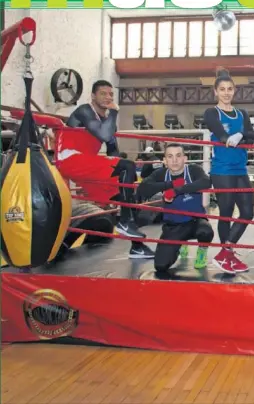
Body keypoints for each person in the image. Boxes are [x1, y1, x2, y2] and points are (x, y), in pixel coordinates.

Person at [56, 80, 155, 259]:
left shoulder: (108, 121)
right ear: (93, 96)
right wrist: (115, 111)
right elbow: (104, 135)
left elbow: (112, 149)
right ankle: (125, 221)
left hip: (87, 166)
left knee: (129, 199)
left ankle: (137, 246)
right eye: (103, 93)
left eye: (111, 94)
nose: (108, 97)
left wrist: (124, 179)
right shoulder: (84, 111)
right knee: (127, 166)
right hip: (70, 159)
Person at [203, 68, 254, 274]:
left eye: (230, 89)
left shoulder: (242, 113)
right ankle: (227, 255)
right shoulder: (211, 112)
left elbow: (251, 137)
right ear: (216, 92)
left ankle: (225, 252)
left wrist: (239, 136)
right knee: (226, 213)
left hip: (240, 169)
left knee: (247, 212)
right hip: (222, 170)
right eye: (222, 89)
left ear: (234, 91)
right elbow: (219, 134)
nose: (226, 93)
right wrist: (231, 137)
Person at [136, 143, 213, 278]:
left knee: (205, 231)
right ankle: (180, 243)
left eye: (178, 156)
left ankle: (202, 250)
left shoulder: (193, 170)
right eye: (170, 157)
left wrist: (177, 190)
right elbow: (143, 188)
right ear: (165, 161)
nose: (175, 160)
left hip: (195, 221)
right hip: (174, 225)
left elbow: (206, 182)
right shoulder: (161, 173)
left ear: (185, 158)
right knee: (160, 266)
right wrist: (170, 185)